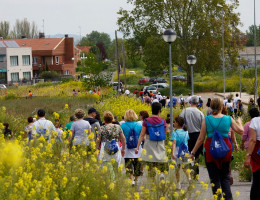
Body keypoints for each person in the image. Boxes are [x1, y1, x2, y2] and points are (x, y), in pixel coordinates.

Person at [190, 98, 243, 200]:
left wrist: (193, 152)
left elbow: (201, 138)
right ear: (222, 107)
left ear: (210, 107)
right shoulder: (228, 119)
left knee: (214, 180)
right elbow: (241, 131)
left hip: (210, 152)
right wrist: (239, 121)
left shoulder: (206, 119)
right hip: (225, 151)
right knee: (225, 179)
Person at [135, 103, 168, 178]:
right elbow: (165, 132)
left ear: (151, 110)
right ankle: (161, 174)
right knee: (160, 161)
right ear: (159, 111)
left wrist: (137, 147)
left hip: (149, 143)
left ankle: (152, 181)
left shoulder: (146, 120)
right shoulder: (163, 121)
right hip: (160, 143)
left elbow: (142, 135)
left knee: (150, 163)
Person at [179, 95, 204, 177]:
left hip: (186, 134)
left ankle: (188, 171)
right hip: (197, 135)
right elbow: (203, 126)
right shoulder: (200, 113)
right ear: (198, 103)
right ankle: (195, 172)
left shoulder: (185, 111)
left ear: (190, 102)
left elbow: (180, 121)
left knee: (187, 153)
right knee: (195, 154)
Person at [121, 109, 143, 185]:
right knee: (137, 163)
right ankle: (136, 180)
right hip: (137, 146)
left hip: (127, 146)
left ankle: (131, 180)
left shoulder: (123, 125)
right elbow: (141, 136)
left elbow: (121, 137)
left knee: (128, 163)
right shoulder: (139, 125)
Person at [244, 107, 260, 200]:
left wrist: (248, 156)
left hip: (257, 152)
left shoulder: (255, 121)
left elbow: (253, 140)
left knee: (257, 180)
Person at [171, 116, 191, 190]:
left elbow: (174, 143)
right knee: (185, 167)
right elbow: (186, 141)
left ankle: (178, 184)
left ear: (177, 123)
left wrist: (172, 153)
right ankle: (189, 180)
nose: (173, 123)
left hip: (177, 151)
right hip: (185, 151)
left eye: (175, 122)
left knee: (177, 169)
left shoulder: (175, 133)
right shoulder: (186, 132)